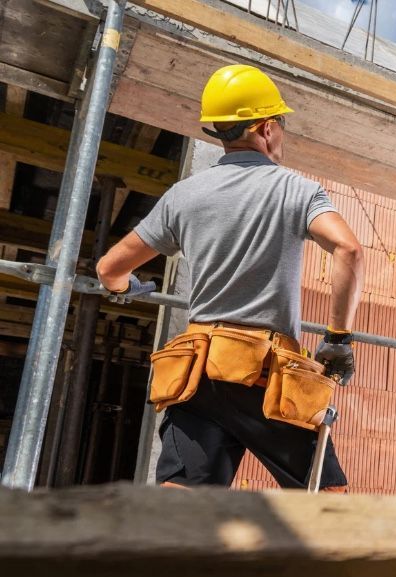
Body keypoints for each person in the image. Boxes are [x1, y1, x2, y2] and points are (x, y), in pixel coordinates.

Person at [96, 64, 364, 492]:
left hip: (197, 373)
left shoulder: (183, 195)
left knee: (181, 502)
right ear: (265, 128)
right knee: (324, 499)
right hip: (264, 375)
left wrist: (128, 289)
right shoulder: (296, 190)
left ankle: (156, 560)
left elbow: (109, 269)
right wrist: (338, 339)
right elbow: (348, 250)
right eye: (280, 123)